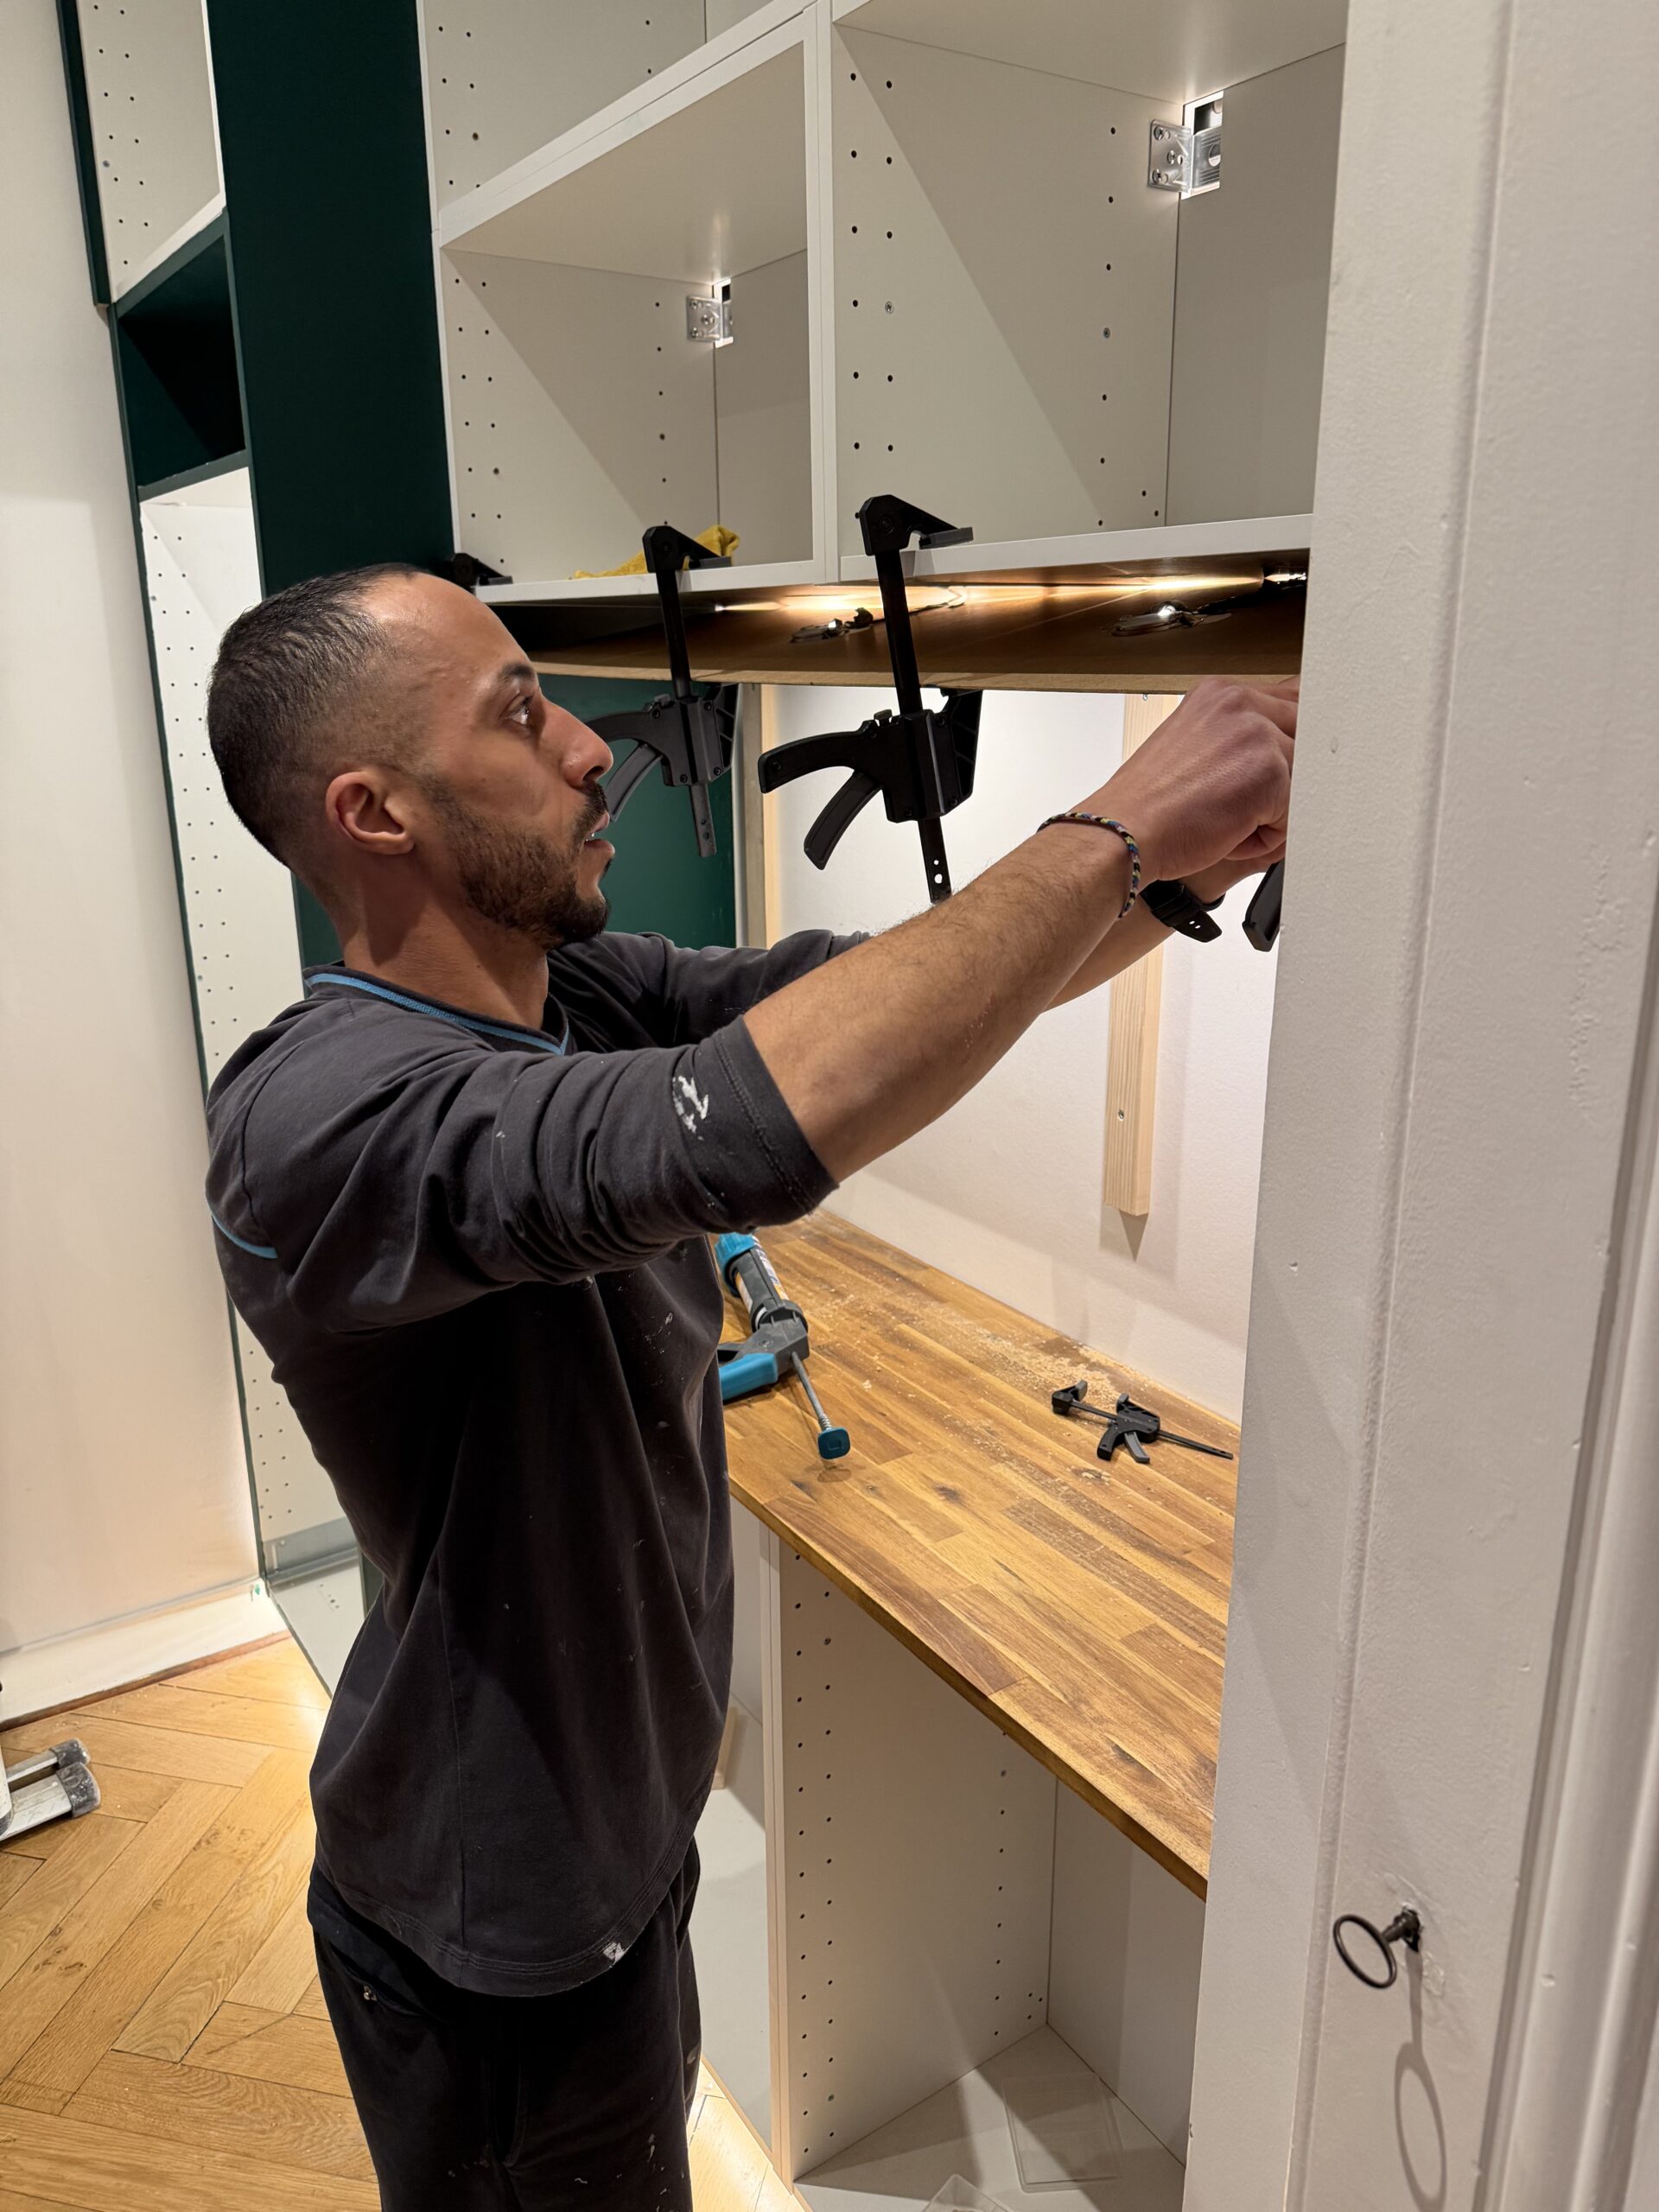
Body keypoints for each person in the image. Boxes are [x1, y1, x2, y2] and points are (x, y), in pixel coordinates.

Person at [202, 564, 1294, 2209]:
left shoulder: (560, 997)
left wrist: (1158, 882)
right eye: (519, 711)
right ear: (376, 812)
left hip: (610, 1858)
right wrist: (1121, 826)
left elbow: (868, 992)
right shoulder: (324, 1124)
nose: (590, 747)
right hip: (494, 1925)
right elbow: (745, 1123)